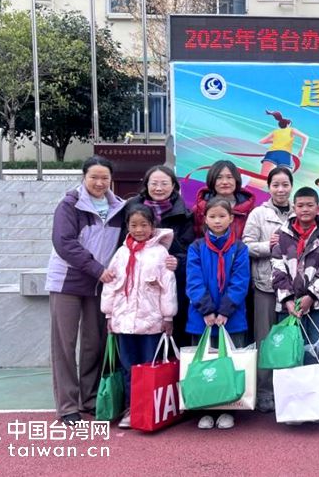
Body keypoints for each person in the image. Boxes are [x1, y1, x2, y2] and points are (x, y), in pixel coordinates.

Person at [45, 156, 127, 425]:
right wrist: (96, 268)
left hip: (99, 284)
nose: (99, 183)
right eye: (94, 177)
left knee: (94, 343)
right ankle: (67, 406)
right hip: (67, 282)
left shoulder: (119, 208)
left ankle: (89, 399)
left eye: (105, 178)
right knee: (65, 344)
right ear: (83, 177)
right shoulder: (69, 205)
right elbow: (64, 243)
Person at [101, 205, 177, 429]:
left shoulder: (161, 253)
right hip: (124, 322)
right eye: (133, 225)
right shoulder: (121, 253)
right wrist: (108, 314)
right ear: (127, 226)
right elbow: (111, 284)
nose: (139, 229)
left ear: (153, 226)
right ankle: (131, 408)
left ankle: (150, 409)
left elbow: (168, 286)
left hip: (151, 322)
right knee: (128, 366)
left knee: (149, 365)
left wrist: (168, 317)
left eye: (144, 225)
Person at [186, 198, 250, 430]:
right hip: (201, 317)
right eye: (212, 216)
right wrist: (206, 310)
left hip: (231, 317)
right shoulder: (196, 247)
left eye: (222, 216)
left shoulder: (239, 248)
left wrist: (224, 311)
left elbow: (240, 282)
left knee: (229, 363)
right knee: (205, 364)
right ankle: (205, 408)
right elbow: (193, 281)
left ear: (231, 218)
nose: (217, 221)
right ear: (205, 219)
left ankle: (228, 408)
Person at [123, 165, 194, 347]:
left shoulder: (184, 213)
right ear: (146, 185)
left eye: (164, 183)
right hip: (138, 283)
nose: (159, 188)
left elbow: (189, 249)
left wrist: (178, 260)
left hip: (170, 282)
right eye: (154, 183)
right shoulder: (132, 208)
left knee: (172, 334)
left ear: (173, 186)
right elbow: (122, 244)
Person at [242, 167, 294, 413]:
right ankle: (264, 392)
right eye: (276, 185)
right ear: (268, 187)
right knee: (264, 339)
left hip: (293, 288)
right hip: (266, 285)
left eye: (285, 185)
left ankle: (288, 390)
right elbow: (245, 246)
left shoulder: (299, 211)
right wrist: (268, 245)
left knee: (289, 340)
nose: (280, 190)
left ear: (291, 186)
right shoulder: (258, 214)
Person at [271, 186, 319, 366]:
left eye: (310, 205)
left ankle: (317, 386)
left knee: (317, 353)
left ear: (318, 208)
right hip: (288, 306)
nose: (305, 209)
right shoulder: (282, 233)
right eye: (300, 206)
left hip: (317, 304)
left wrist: (311, 296)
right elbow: (277, 267)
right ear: (294, 208)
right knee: (290, 354)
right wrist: (288, 299)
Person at [191, 160, 256, 238]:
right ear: (212, 180)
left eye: (229, 177)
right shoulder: (199, 209)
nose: (225, 182)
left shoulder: (251, 210)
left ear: (236, 180)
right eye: (219, 177)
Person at [259, 110, 309, 178]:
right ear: (288, 124)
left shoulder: (275, 131)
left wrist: (274, 141)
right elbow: (306, 137)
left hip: (272, 154)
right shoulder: (291, 130)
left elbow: (262, 141)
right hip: (285, 154)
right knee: (283, 180)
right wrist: (302, 150)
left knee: (263, 178)